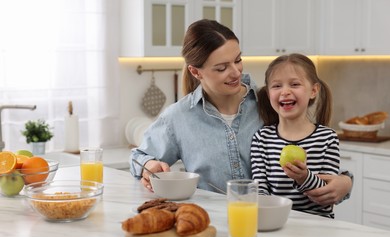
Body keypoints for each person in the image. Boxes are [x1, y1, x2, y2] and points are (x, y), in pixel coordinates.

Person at [129, 19, 352, 205]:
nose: (235, 72)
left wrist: (345, 182)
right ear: (196, 72)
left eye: (238, 60)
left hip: (276, 223)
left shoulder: (270, 102)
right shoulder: (178, 117)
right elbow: (138, 157)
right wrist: (149, 166)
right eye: (222, 68)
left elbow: (314, 148)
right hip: (215, 227)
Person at [251, 53, 340, 218]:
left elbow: (327, 196)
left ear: (313, 90)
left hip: (318, 226)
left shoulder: (327, 138)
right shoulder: (262, 138)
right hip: (276, 221)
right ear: (268, 92)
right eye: (277, 86)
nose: (285, 91)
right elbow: (260, 190)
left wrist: (304, 178)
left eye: (295, 84)